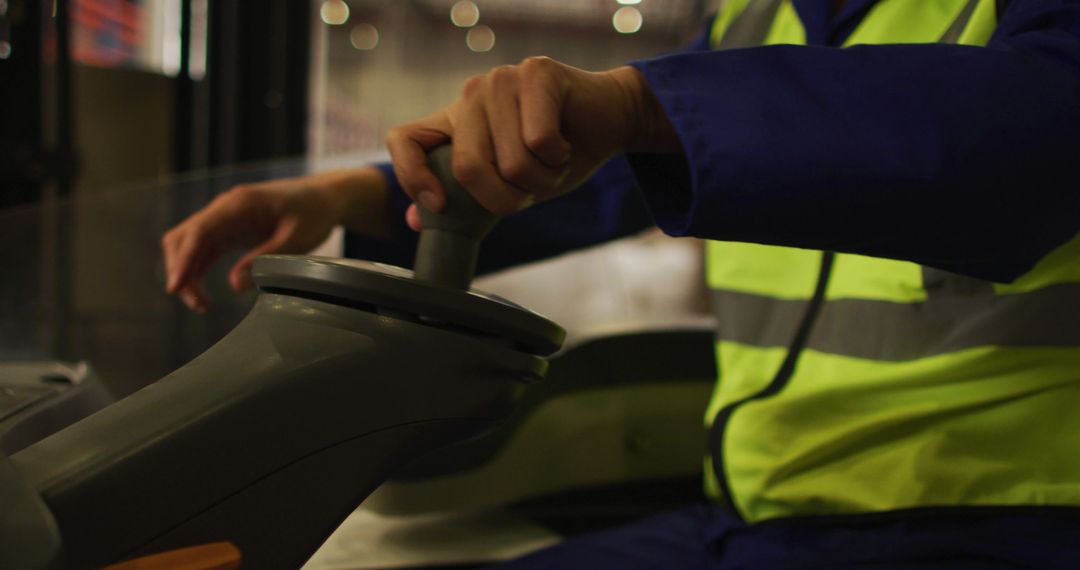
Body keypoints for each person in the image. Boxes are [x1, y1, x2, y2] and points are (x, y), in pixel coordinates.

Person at [162, 0, 1080, 566]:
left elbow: (1031, 141)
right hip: (758, 520)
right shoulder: (759, 15)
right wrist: (351, 196)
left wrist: (642, 103)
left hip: (1006, 525)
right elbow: (601, 170)